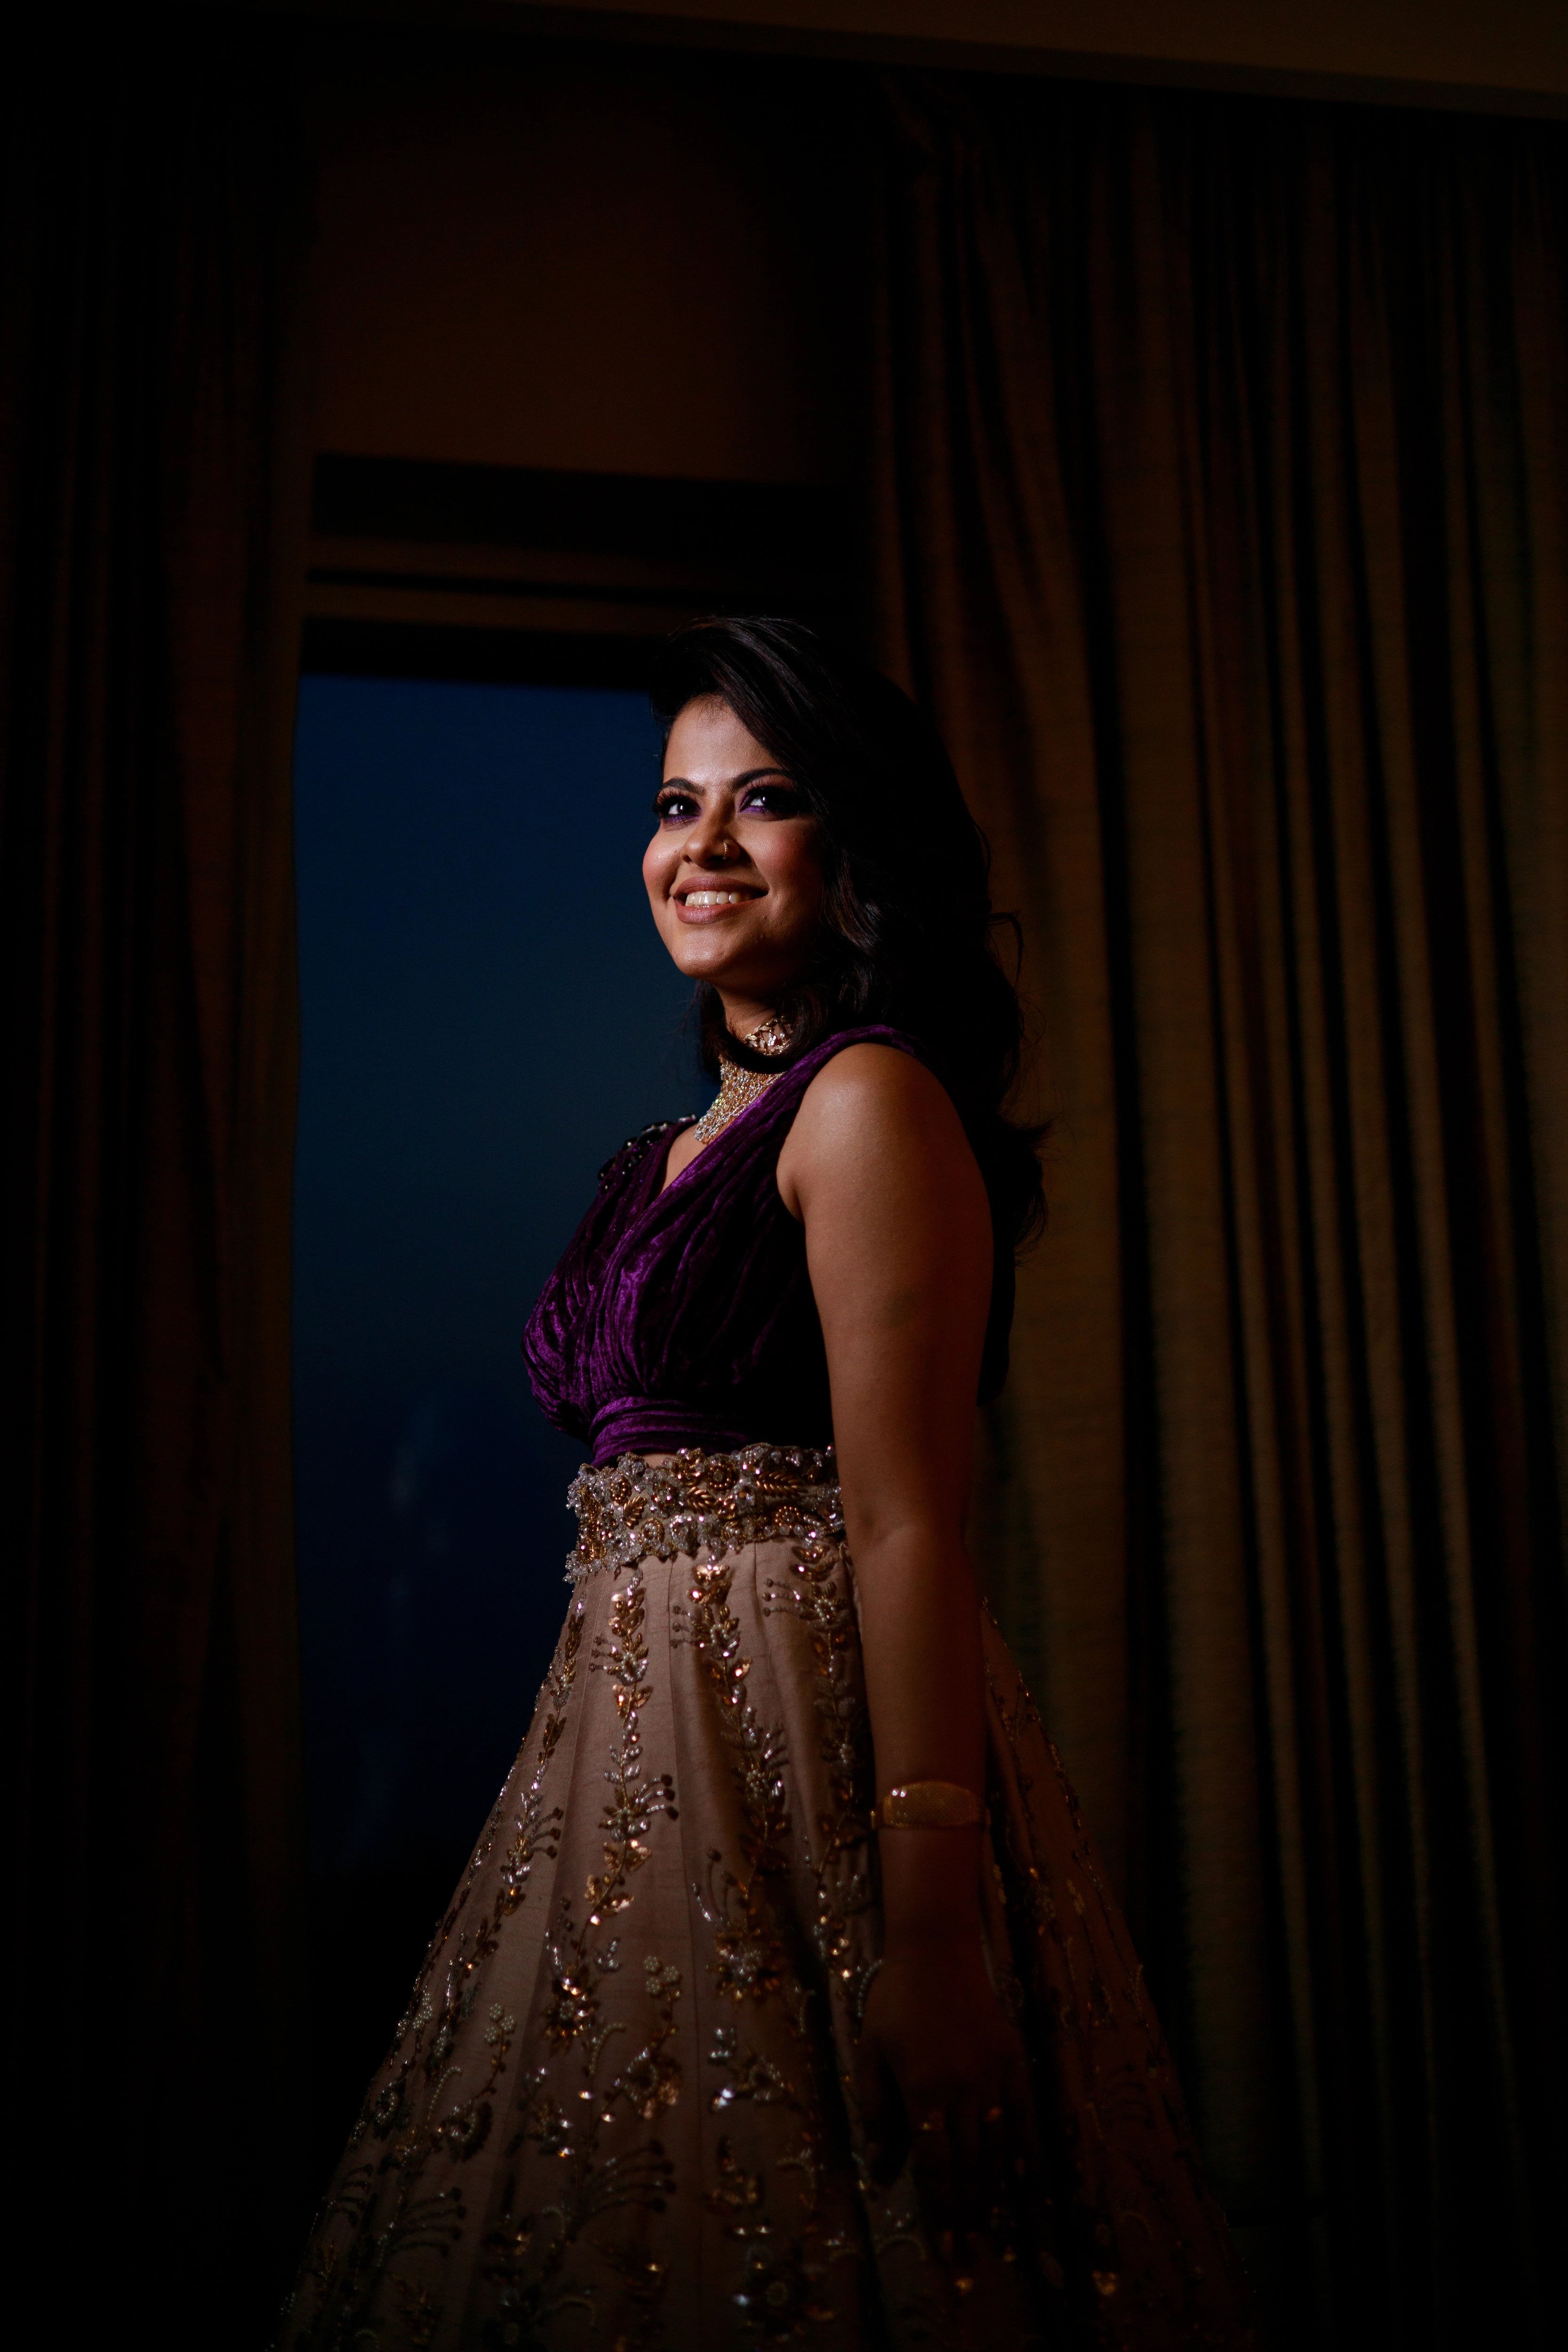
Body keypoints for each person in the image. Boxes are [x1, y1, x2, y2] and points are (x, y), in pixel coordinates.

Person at [282, 620, 1255, 2350]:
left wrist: (935, 1925)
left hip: (813, 1753)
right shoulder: (656, 1160)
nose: (700, 846)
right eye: (674, 801)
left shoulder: (868, 1104)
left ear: (858, 846)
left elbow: (906, 1522)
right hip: (621, 1759)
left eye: (766, 800)